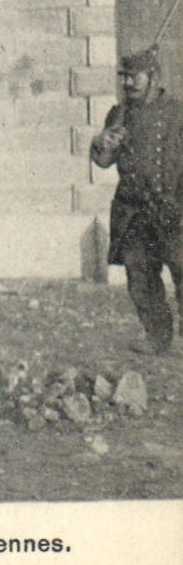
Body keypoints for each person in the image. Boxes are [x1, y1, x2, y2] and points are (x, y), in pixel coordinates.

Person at [90, 46, 183, 355]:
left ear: (153, 77)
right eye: (124, 77)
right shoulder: (119, 114)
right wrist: (102, 143)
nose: (128, 84)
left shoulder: (176, 112)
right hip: (134, 210)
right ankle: (157, 335)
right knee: (139, 275)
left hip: (173, 206)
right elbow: (104, 160)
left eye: (135, 77)